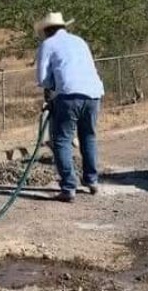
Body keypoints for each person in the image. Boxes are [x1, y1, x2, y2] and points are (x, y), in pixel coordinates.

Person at [35, 12, 104, 202]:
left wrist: (51, 91)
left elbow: (42, 79)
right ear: (63, 27)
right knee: (88, 136)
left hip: (69, 95)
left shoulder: (47, 45)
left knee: (62, 140)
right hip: (94, 94)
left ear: (47, 30)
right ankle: (92, 181)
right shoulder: (80, 41)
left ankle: (68, 187)